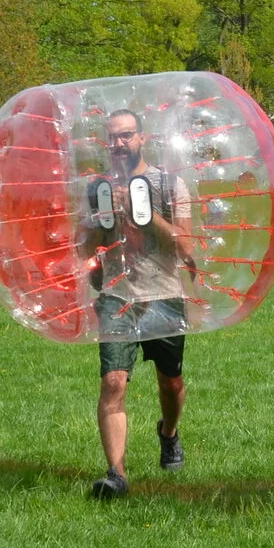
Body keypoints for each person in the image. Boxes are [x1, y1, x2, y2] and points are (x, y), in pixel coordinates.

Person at [80, 109, 197, 499]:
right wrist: (102, 217)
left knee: (171, 382)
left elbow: (185, 246)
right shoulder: (97, 188)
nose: (119, 144)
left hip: (164, 293)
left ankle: (169, 431)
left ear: (142, 138)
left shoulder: (169, 184)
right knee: (113, 382)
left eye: (126, 135)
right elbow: (85, 248)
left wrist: (143, 214)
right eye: (112, 138)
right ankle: (116, 474)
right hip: (117, 296)